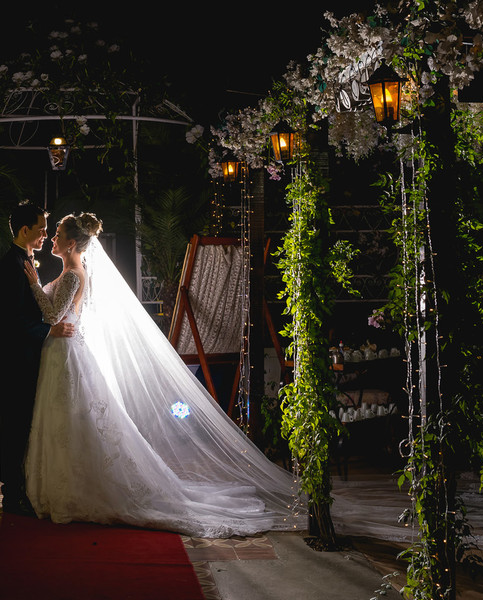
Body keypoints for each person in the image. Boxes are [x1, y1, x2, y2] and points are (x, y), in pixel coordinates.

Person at [22, 213, 306, 538]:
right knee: (69, 423)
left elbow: (52, 314)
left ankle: (76, 493)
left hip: (67, 355)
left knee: (73, 422)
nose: (53, 239)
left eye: (57, 234)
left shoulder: (73, 274)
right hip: (62, 352)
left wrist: (33, 284)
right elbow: (56, 316)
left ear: (72, 242)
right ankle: (69, 487)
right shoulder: (70, 272)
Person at [0, 202, 74, 516]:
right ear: (25, 230)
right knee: (14, 427)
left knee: (24, 426)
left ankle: (20, 488)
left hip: (28, 356)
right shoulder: (11, 264)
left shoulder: (24, 260)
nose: (45, 235)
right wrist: (48, 332)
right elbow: (10, 319)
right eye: (41, 229)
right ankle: (11, 494)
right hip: (15, 360)